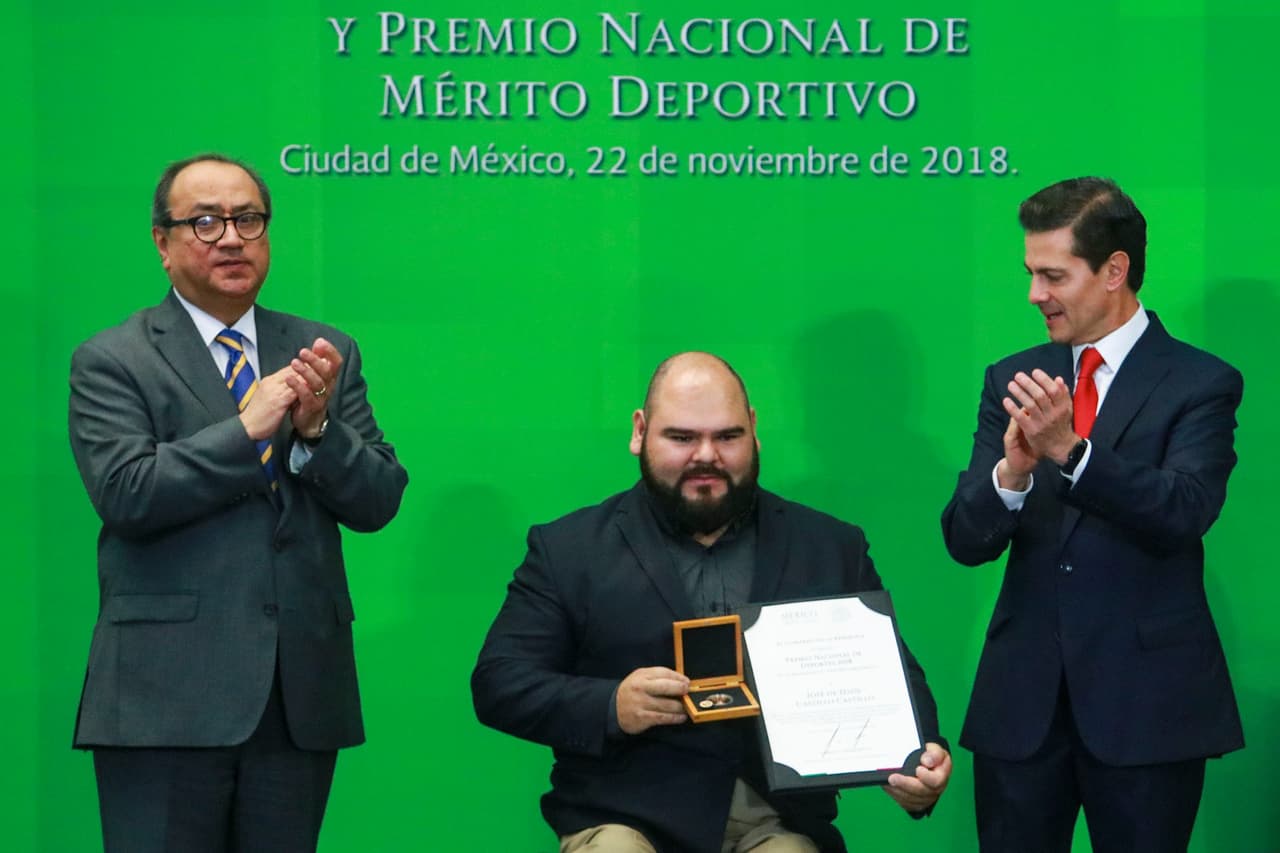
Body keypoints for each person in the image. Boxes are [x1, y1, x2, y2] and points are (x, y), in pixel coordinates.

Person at [472, 352, 951, 853]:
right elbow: (499, 682)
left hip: (778, 820)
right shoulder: (569, 549)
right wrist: (612, 705)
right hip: (623, 816)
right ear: (640, 432)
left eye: (727, 437)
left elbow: (894, 678)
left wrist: (923, 761)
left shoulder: (830, 546)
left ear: (754, 431)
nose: (707, 455)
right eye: (681, 438)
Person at [68, 153, 409, 852]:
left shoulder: (322, 349)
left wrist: (317, 430)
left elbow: (378, 497)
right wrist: (245, 430)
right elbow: (126, 492)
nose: (231, 237)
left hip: (296, 697)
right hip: (163, 698)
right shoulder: (113, 358)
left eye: (248, 219)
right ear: (162, 243)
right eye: (205, 221)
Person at [941, 177, 1244, 852]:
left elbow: (1185, 509)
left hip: (1147, 709)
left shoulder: (1200, 382)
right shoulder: (1011, 378)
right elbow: (966, 539)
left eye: (1053, 275)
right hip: (1021, 708)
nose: (1034, 295)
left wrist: (1072, 455)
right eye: (1029, 273)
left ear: (1114, 270)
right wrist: (1013, 471)